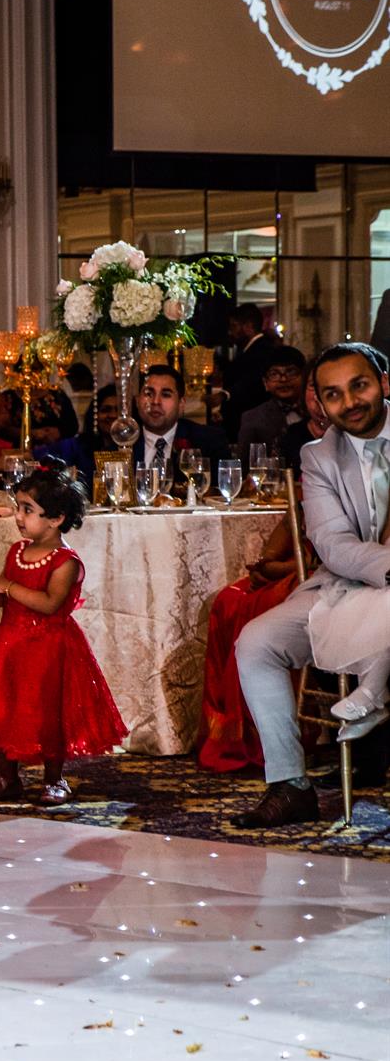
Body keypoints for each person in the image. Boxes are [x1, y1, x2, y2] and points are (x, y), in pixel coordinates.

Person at [233, 343, 390, 827]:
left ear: (384, 383)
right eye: (334, 394)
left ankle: (373, 692)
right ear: (320, 403)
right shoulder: (318, 456)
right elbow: (332, 544)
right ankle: (290, 786)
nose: (350, 402)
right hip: (348, 583)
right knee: (256, 642)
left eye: (359, 386)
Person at [0, 461, 126, 802]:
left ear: (56, 518)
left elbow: (48, 604)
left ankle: (54, 779)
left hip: (48, 649)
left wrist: (8, 585)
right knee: (6, 709)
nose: (18, 516)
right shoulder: (17, 551)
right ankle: (6, 778)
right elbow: (4, 600)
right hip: (11, 645)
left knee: (49, 713)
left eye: (27, 510)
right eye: (18, 507)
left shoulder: (65, 561)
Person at [199, 517, 306, 772]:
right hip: (295, 565)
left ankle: (272, 741)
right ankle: (232, 734)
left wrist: (281, 569)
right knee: (228, 601)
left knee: (265, 606)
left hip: (326, 571)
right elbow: (291, 520)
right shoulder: (313, 492)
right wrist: (267, 563)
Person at [129, 365, 225, 490]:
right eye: (148, 393)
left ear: (181, 404)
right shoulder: (122, 442)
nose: (155, 402)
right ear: (137, 400)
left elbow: (219, 494)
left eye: (165, 395)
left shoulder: (208, 441)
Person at [235, 345, 307, 460]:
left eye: (290, 372)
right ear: (265, 383)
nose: (283, 379)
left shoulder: (317, 412)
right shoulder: (253, 418)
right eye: (274, 374)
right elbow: (245, 465)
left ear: (304, 377)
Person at [222, 303, 280, 436]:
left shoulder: (263, 350)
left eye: (234, 326)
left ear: (248, 326)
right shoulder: (249, 349)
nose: (230, 332)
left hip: (252, 422)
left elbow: (252, 382)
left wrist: (226, 395)